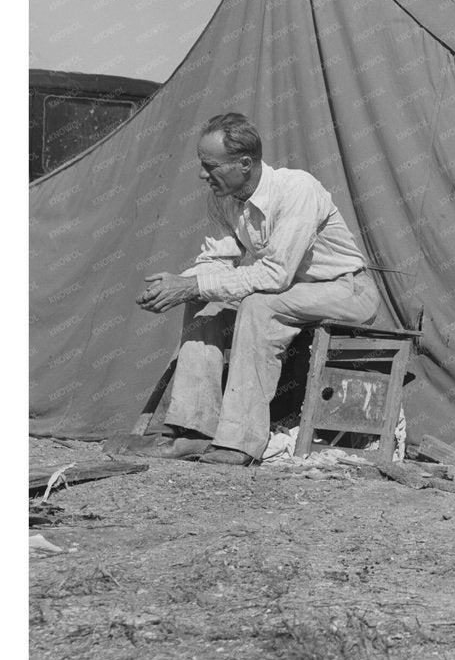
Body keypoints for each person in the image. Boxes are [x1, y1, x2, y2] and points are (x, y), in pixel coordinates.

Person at [135, 112, 380, 465]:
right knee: (204, 306)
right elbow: (218, 260)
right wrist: (177, 286)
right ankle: (194, 431)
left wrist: (193, 285)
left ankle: (240, 442)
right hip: (288, 293)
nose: (203, 174)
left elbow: (276, 275)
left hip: (346, 290)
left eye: (211, 165)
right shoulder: (223, 197)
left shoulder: (297, 189)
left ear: (245, 163)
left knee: (257, 306)